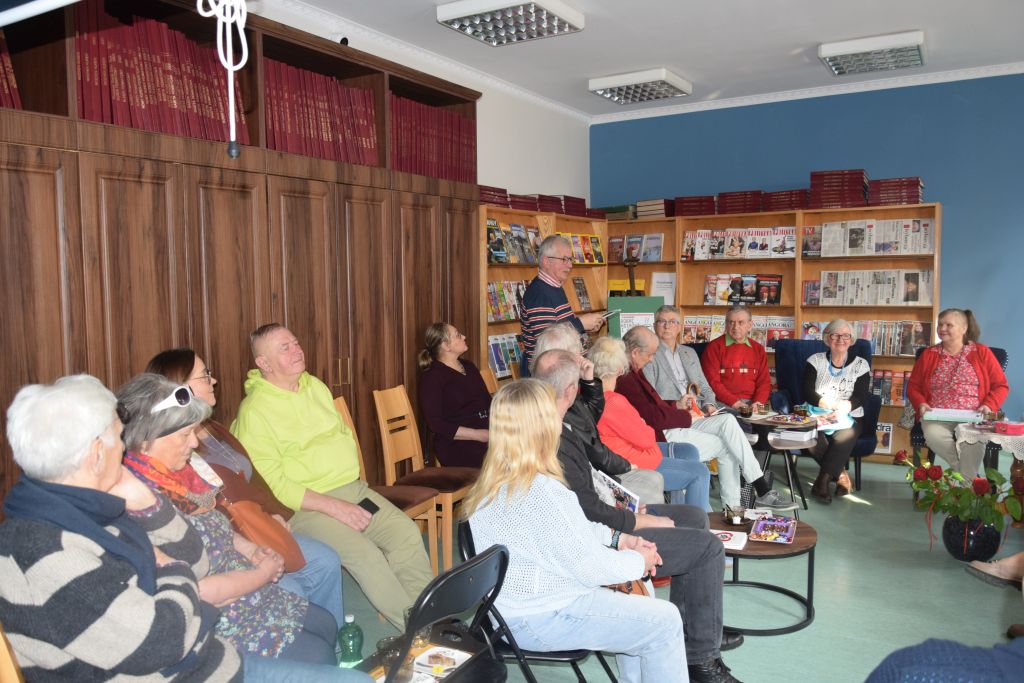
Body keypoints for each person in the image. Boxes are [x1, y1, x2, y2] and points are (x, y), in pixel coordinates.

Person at [0, 375, 242, 681]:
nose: (126, 449)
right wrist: (171, 568)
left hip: (208, 661)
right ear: (97, 453)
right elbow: (160, 641)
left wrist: (146, 503)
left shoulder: (89, 505)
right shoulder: (41, 549)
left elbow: (200, 563)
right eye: (119, 436)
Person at [532, 350, 743, 682]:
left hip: (605, 517)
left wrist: (627, 504)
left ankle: (697, 631)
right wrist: (638, 522)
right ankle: (702, 662)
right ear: (571, 389)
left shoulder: (560, 421)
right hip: (600, 537)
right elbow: (587, 511)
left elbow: (591, 484)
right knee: (708, 548)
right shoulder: (556, 435)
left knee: (692, 516)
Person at [464, 378, 688, 683]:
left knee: (641, 602)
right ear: (542, 426)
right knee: (665, 620)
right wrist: (640, 561)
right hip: (545, 615)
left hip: (514, 613)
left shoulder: (492, 486)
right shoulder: (541, 491)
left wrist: (620, 539)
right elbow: (589, 568)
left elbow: (572, 530)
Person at [116, 373, 345, 670]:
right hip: (212, 616)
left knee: (326, 624)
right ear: (146, 441)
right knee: (317, 654)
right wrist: (261, 574)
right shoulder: (140, 504)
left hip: (241, 580)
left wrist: (250, 550)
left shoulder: (181, 478)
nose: (195, 442)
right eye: (184, 435)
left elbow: (217, 525)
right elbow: (195, 593)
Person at [231, 323, 434, 629]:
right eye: (284, 348)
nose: (297, 350)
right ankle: (419, 630)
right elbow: (275, 484)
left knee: (404, 533)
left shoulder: (315, 386)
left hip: (354, 492)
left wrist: (351, 497)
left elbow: (341, 436)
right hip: (309, 508)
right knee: (366, 556)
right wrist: (334, 507)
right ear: (264, 363)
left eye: (296, 342)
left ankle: (432, 615)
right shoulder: (255, 412)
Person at [146, 347, 345, 628]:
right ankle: (300, 651)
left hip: (259, 522)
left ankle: (333, 643)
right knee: (293, 589)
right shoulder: (175, 448)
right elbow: (207, 512)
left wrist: (275, 514)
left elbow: (255, 480)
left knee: (326, 560)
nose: (213, 381)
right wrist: (249, 546)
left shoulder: (216, 430)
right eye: (205, 376)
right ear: (180, 389)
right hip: (233, 541)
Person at [618, 326, 796, 513]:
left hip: (675, 418)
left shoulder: (642, 367)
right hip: (662, 433)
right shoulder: (626, 378)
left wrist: (677, 405)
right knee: (727, 445)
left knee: (727, 420)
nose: (652, 359)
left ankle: (755, 491)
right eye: (650, 354)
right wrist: (685, 416)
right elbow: (651, 416)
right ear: (636, 352)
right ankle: (737, 507)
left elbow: (656, 403)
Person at [532, 322, 666, 505]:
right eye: (579, 353)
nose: (583, 358)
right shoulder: (562, 403)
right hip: (589, 480)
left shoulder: (559, 394)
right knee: (653, 481)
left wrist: (589, 382)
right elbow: (593, 447)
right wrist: (626, 465)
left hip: (592, 472)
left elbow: (591, 417)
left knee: (655, 479)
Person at [588, 336, 712, 511]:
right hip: (632, 462)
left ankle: (679, 512)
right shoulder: (613, 401)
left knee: (689, 452)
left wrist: (643, 423)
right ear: (618, 368)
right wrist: (643, 424)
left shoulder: (590, 395)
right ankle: (699, 526)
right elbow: (647, 437)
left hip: (623, 455)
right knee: (700, 472)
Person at [907, 308, 1009, 479]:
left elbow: (1001, 386)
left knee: (974, 441)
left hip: (974, 414)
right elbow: (913, 387)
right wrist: (921, 403)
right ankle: (968, 478)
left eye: (949, 325)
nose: (942, 328)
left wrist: (988, 405)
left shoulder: (981, 352)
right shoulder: (929, 354)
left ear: (964, 328)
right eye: (940, 324)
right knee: (933, 435)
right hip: (936, 414)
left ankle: (964, 483)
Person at [801, 319, 872, 503]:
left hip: (849, 414)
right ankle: (840, 476)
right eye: (835, 335)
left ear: (852, 339)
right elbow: (807, 391)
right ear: (827, 339)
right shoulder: (815, 361)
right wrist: (828, 406)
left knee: (846, 434)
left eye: (846, 335)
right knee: (808, 436)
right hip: (818, 411)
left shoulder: (861, 364)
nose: (840, 339)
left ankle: (822, 482)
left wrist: (843, 408)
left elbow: (861, 395)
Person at [519, 234, 605, 375]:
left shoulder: (553, 287)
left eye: (570, 259)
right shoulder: (539, 293)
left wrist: (586, 327)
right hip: (549, 376)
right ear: (546, 261)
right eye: (564, 259)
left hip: (563, 369)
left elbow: (561, 325)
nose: (570, 265)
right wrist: (580, 324)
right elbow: (547, 340)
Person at [417, 322, 490, 468]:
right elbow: (435, 424)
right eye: (457, 335)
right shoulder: (433, 377)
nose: (464, 336)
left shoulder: (469, 366)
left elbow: (487, 402)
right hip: (458, 444)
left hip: (486, 432)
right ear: (446, 346)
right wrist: (478, 435)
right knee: (504, 457)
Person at [643, 305, 722, 412]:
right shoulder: (648, 354)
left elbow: (704, 387)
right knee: (728, 421)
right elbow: (650, 395)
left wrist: (709, 405)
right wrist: (677, 406)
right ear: (654, 326)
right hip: (673, 413)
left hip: (699, 410)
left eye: (672, 322)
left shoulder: (690, 352)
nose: (667, 326)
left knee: (729, 419)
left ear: (680, 327)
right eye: (662, 321)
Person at [700, 306, 771, 411]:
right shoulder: (714, 347)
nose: (735, 327)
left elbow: (764, 382)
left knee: (772, 423)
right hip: (724, 402)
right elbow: (712, 383)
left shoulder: (758, 349)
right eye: (731, 322)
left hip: (753, 403)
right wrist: (736, 403)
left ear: (750, 325)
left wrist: (758, 403)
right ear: (726, 324)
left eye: (741, 322)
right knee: (738, 422)